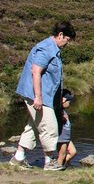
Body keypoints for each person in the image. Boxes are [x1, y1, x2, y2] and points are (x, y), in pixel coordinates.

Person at [9, 21, 76, 171]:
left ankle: (18, 158)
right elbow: (36, 71)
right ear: (60, 35)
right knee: (50, 126)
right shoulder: (46, 48)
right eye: (67, 40)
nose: (67, 43)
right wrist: (38, 97)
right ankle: (49, 162)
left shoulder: (53, 49)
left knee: (33, 126)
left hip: (46, 96)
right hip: (38, 96)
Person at [57, 89, 77, 167]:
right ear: (63, 101)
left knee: (73, 152)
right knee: (62, 155)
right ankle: (58, 167)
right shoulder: (58, 111)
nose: (69, 103)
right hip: (61, 137)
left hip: (66, 137)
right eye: (68, 101)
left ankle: (62, 165)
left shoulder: (63, 111)